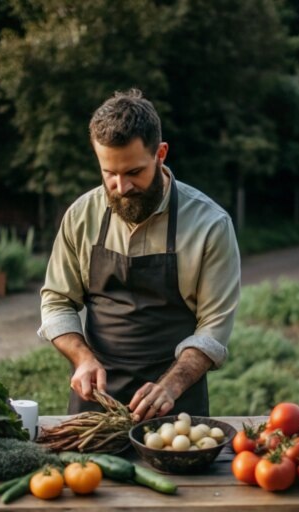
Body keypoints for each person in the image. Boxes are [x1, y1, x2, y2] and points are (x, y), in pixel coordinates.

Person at [38, 89, 240, 422]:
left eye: (133, 172)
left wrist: (171, 387)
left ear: (160, 153)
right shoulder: (81, 216)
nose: (121, 186)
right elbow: (57, 301)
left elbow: (214, 328)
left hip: (176, 407)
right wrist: (82, 358)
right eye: (109, 174)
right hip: (95, 405)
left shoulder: (210, 225)